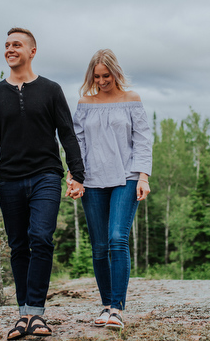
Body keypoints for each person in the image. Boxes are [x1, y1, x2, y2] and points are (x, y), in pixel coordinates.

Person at [0, 27, 85, 340]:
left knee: (41, 236)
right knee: (18, 246)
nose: (10, 49)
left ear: (32, 51)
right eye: (7, 44)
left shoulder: (51, 90)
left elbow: (67, 133)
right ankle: (24, 315)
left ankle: (36, 313)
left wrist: (76, 173)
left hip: (46, 175)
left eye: (17, 45)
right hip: (9, 179)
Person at [66, 48, 153, 330]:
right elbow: (77, 143)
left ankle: (117, 307)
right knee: (100, 245)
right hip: (92, 181)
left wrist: (143, 177)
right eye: (97, 76)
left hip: (126, 177)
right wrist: (74, 177)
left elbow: (142, 140)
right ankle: (105, 305)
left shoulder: (132, 100)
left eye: (107, 76)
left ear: (116, 73)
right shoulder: (84, 103)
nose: (102, 81)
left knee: (117, 238)